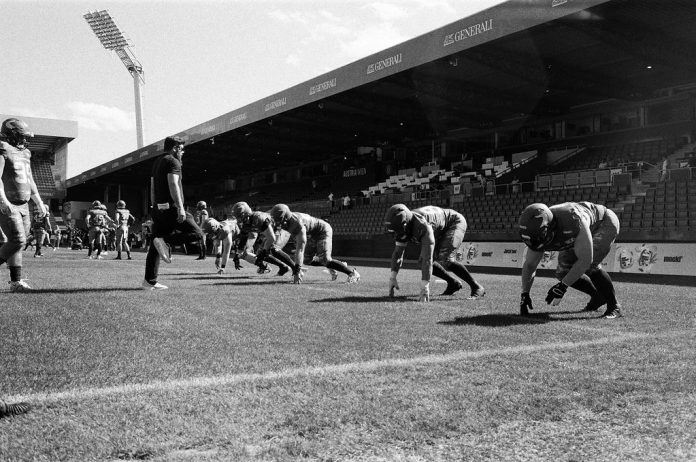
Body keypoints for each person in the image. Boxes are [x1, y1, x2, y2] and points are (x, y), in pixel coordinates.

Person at [518, 201, 622, 319]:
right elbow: (530, 265)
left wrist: (563, 286)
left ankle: (614, 306)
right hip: (578, 230)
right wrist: (525, 293)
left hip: (602, 222)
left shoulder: (572, 221)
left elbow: (585, 260)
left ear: (550, 227)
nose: (537, 244)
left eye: (539, 238)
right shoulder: (537, 233)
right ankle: (598, 296)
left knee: (590, 265)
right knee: (563, 272)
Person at [384, 204, 485, 302]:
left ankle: (476, 287)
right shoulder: (405, 224)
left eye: (398, 231)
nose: (396, 235)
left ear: (406, 224)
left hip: (453, 222)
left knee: (445, 258)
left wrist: (425, 286)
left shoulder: (422, 225)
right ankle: (453, 283)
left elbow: (427, 257)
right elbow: (398, 253)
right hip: (439, 229)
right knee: (421, 263)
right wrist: (393, 277)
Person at [143, 136, 205, 290]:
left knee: (154, 247)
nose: (183, 152)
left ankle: (149, 281)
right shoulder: (173, 161)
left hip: (158, 208)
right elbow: (173, 183)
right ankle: (166, 242)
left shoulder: (157, 162)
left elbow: (152, 187)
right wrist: (180, 207)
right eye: (182, 149)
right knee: (198, 233)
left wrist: (154, 207)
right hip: (171, 208)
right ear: (176, 147)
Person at [0, 118, 49, 291]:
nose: (24, 141)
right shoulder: (3, 148)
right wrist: (2, 200)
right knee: (17, 240)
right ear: (10, 135)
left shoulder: (26, 153)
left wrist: (39, 203)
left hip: (24, 204)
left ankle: (15, 282)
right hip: (9, 202)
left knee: (19, 244)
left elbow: (30, 180)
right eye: (21, 137)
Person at [269, 203, 360, 284]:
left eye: (279, 220)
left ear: (285, 217)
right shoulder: (285, 220)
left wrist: (296, 272)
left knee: (325, 259)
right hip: (311, 234)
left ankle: (352, 273)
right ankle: (336, 265)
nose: (278, 222)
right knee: (307, 260)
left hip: (322, 231)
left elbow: (300, 249)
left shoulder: (297, 222)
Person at [231, 201, 292, 276]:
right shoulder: (245, 223)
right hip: (271, 232)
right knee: (261, 252)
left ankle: (296, 269)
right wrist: (238, 254)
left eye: (239, 216)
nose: (238, 219)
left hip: (281, 229)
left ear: (246, 213)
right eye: (237, 217)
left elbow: (271, 238)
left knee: (272, 249)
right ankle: (283, 267)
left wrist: (263, 252)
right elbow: (243, 240)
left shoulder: (258, 218)